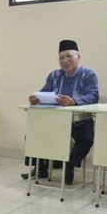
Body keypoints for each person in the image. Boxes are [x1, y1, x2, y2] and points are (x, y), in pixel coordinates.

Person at [24, 40, 99, 185]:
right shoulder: (54, 75)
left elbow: (93, 96)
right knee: (33, 134)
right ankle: (40, 168)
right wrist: (36, 99)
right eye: (61, 58)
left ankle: (69, 166)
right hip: (56, 120)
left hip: (80, 121)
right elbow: (45, 92)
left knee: (86, 139)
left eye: (69, 56)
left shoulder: (88, 75)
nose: (65, 61)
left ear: (78, 57)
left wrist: (73, 101)